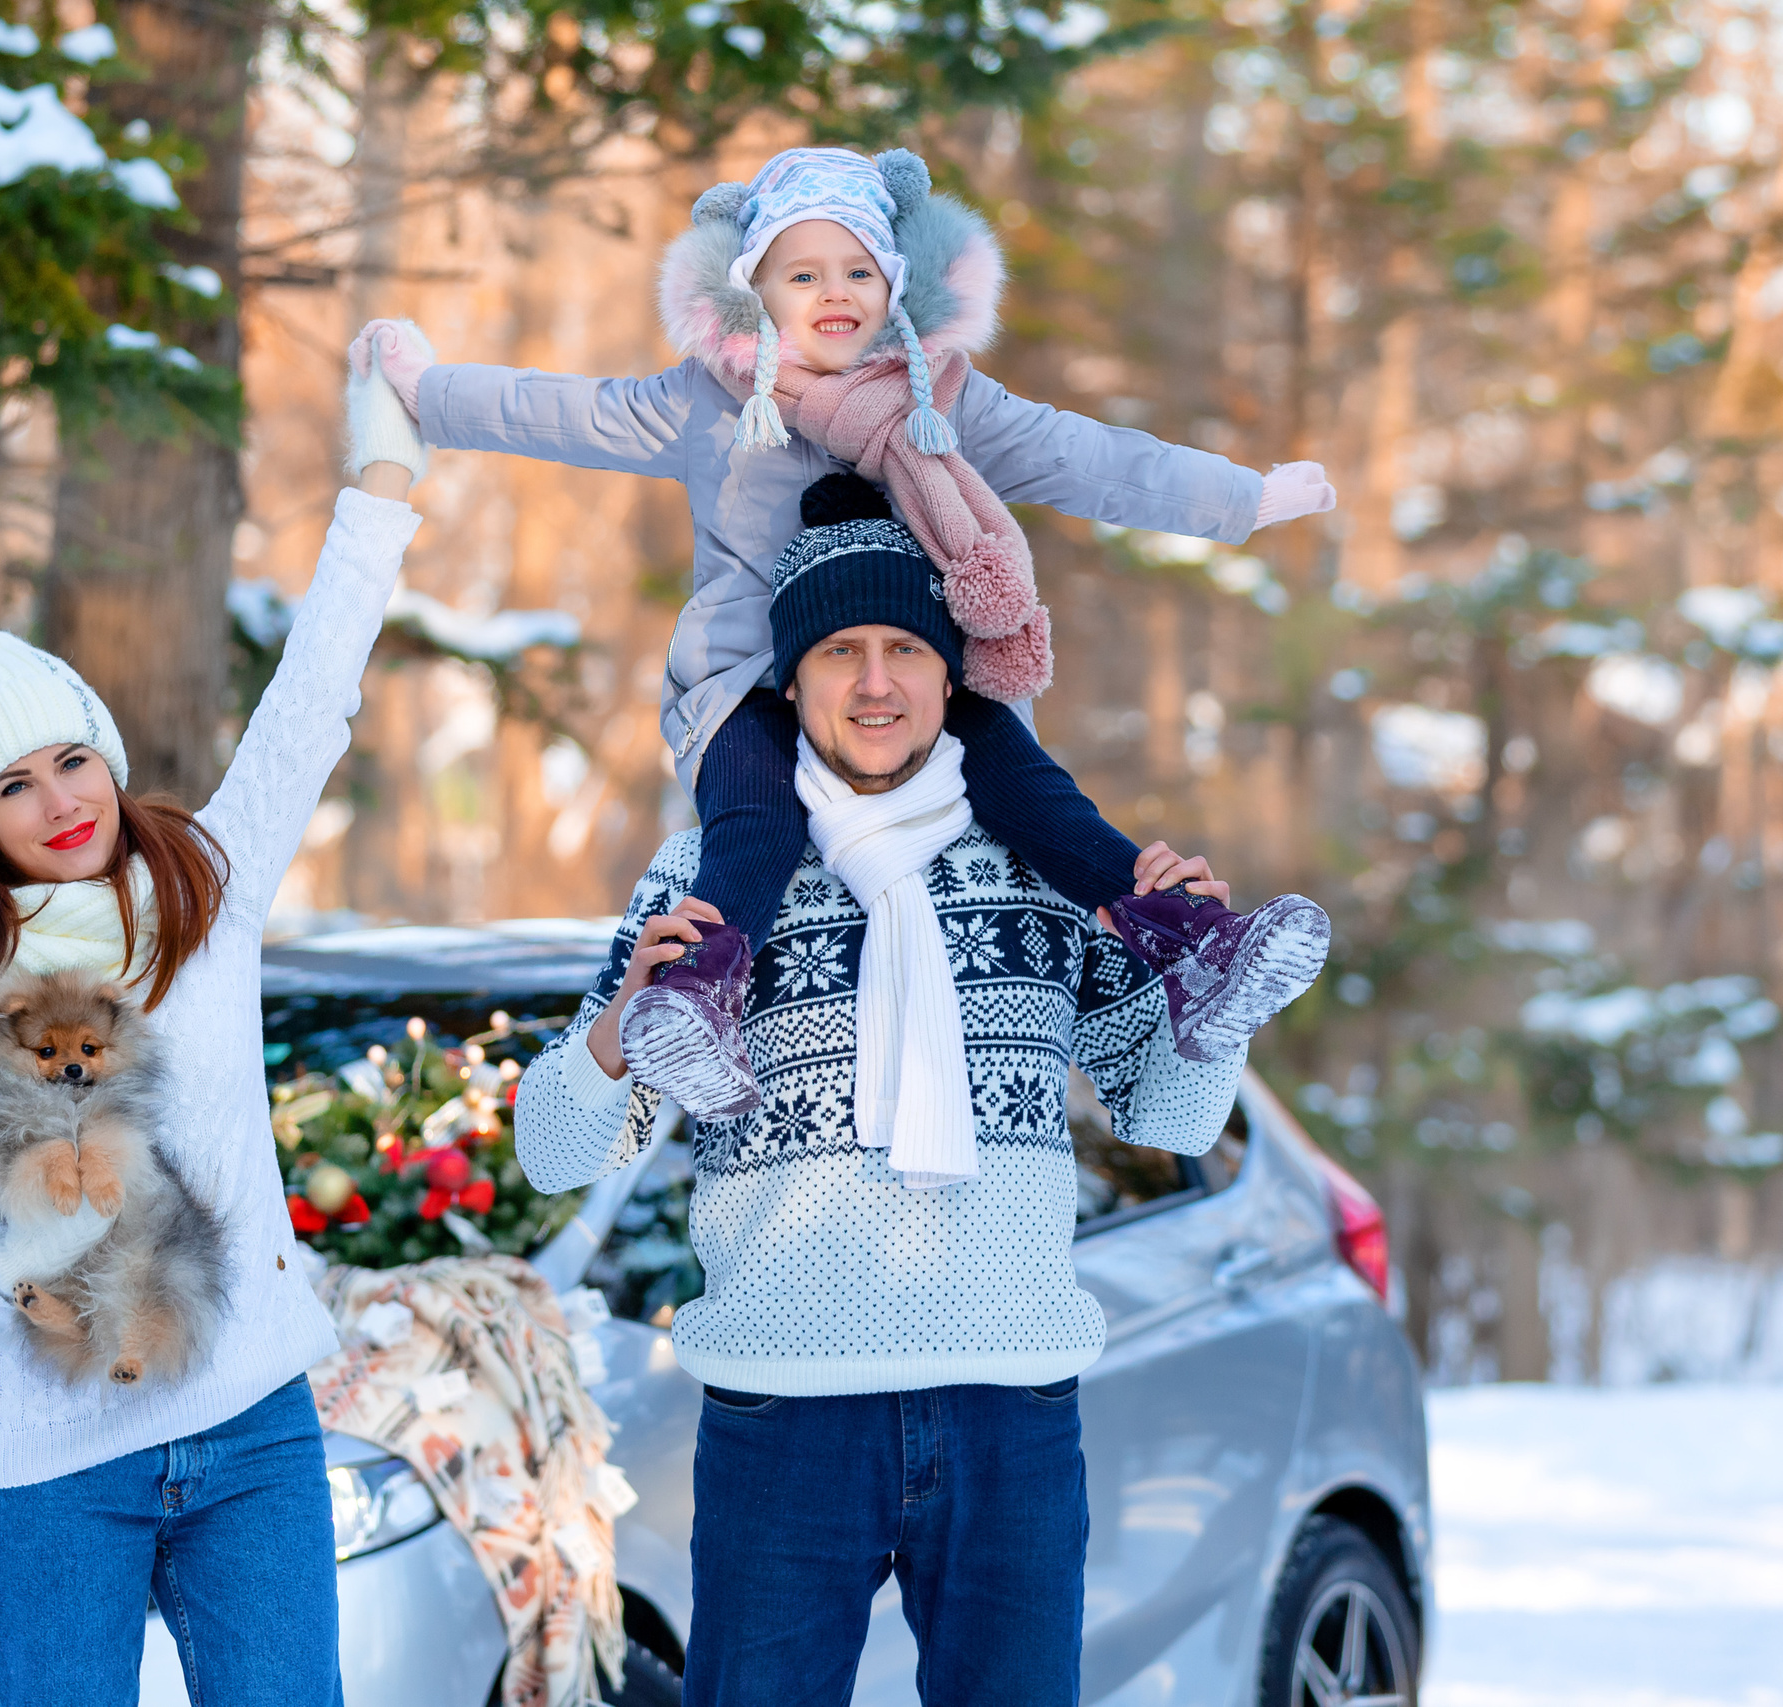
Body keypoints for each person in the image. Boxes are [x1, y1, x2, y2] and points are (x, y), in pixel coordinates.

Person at [345, 144, 1330, 1123]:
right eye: (803, 273)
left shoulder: (944, 402)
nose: (834, 293)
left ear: (898, 286)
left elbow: (1091, 459)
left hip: (916, 684)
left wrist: (1241, 499)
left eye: (859, 270)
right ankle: (693, 1004)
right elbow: (567, 413)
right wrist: (430, 396)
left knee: (1035, 793)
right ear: (752, 294)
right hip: (748, 683)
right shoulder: (709, 404)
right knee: (751, 823)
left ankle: (1186, 946)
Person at [510, 476, 1257, 1707]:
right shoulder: (707, 879)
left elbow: (1169, 1119)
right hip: (783, 1416)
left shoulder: (1046, 864)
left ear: (949, 673)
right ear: (790, 682)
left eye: (904, 648)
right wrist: (613, 1038)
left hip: (1007, 1412)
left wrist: (1203, 1005)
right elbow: (553, 1153)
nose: (874, 682)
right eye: (839, 652)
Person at [0, 355, 432, 1706]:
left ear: (105, 748)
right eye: (13, 783)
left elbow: (311, 696)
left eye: (70, 756)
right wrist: (28, 1253)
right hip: (49, 1470)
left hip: (252, 1433)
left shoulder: (208, 890)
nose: (59, 798)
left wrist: (383, 474)